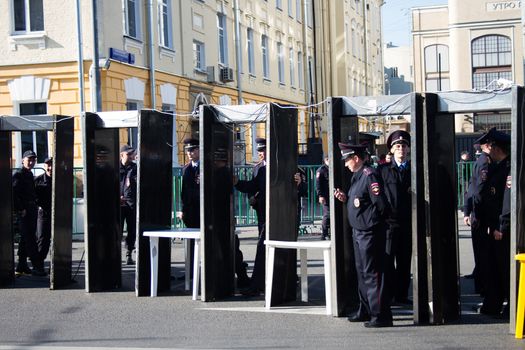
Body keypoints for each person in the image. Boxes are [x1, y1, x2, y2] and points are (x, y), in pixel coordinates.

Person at [334, 142, 392, 328]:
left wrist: (372, 224)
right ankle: (366, 309)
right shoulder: (357, 176)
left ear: (356, 158)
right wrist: (346, 199)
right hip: (359, 232)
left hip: (369, 233)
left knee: (372, 274)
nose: (345, 164)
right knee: (361, 273)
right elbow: (361, 200)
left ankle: (380, 314)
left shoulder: (369, 175)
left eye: (347, 160)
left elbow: (381, 204)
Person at [475, 128, 510, 316]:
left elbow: (507, 201)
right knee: (493, 268)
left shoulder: (508, 169)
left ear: (498, 148)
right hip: (491, 225)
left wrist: (501, 226)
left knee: (505, 269)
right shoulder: (495, 167)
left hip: (500, 228)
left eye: (492, 146)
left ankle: (510, 307)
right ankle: (493, 304)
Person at [378, 130, 412, 304]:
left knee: (405, 261)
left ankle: (402, 294)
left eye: (404, 146)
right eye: (397, 146)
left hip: (407, 223)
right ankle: (390, 294)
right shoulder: (383, 170)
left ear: (408, 149)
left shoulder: (414, 170)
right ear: (391, 150)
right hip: (389, 224)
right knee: (388, 260)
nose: (401, 149)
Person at [234, 138, 267, 296]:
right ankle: (260, 284)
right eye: (259, 151)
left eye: (263, 150)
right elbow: (253, 186)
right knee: (263, 247)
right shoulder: (259, 169)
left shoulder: (280, 165)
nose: (260, 154)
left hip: (276, 214)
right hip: (262, 213)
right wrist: (237, 183)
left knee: (263, 247)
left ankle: (257, 285)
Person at [463, 136, 494, 294]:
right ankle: (483, 287)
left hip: (476, 212)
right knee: (484, 253)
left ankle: (481, 285)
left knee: (480, 252)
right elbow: (479, 190)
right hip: (481, 213)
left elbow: (470, 189)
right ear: (487, 146)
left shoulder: (480, 161)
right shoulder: (485, 162)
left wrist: (467, 210)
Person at [13, 150, 44, 276]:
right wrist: (21, 209)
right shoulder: (18, 175)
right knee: (30, 238)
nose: (31, 162)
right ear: (22, 160)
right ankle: (37, 266)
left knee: (25, 238)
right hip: (24, 211)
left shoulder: (29, 174)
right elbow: (14, 193)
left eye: (33, 160)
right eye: (29, 159)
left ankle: (22, 264)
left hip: (31, 209)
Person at [34, 157, 53, 275]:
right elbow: (33, 196)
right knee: (42, 240)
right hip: (43, 213)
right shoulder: (38, 180)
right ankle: (38, 265)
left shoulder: (60, 179)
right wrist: (38, 206)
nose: (50, 167)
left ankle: (56, 268)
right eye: (48, 165)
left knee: (58, 240)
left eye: (52, 165)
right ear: (45, 166)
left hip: (57, 213)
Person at [119, 144, 137, 265]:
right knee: (117, 230)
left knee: (132, 230)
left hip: (131, 203)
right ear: (122, 155)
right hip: (119, 205)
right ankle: (115, 255)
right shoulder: (115, 167)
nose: (131, 156)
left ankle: (129, 253)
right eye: (128, 154)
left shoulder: (134, 167)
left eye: (132, 154)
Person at [315, 155, 330, 240]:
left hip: (332, 195)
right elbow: (318, 184)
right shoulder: (321, 170)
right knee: (327, 215)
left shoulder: (332, 169)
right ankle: (324, 234)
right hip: (325, 196)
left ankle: (329, 232)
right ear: (325, 160)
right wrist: (320, 195)